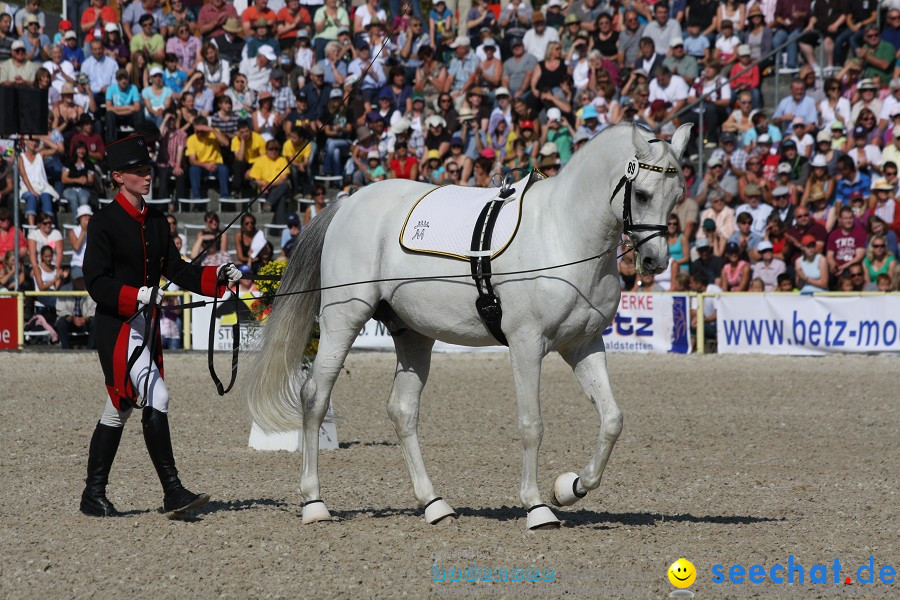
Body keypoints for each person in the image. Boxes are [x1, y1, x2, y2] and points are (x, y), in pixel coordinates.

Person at [80, 135, 241, 518]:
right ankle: (173, 491)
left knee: (118, 409)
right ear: (118, 177)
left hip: (145, 327)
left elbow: (178, 270)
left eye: (149, 169)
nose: (147, 176)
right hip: (116, 327)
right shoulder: (103, 222)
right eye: (139, 171)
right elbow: (96, 281)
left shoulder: (154, 219)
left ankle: (92, 495)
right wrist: (136, 295)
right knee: (158, 395)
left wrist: (218, 276)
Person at [826, 205, 867, 282]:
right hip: (837, 268)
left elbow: (859, 257)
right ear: (840, 219)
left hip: (852, 268)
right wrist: (834, 266)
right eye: (845, 218)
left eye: (850, 218)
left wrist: (842, 267)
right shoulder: (834, 234)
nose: (848, 221)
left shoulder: (860, 233)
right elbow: (829, 256)